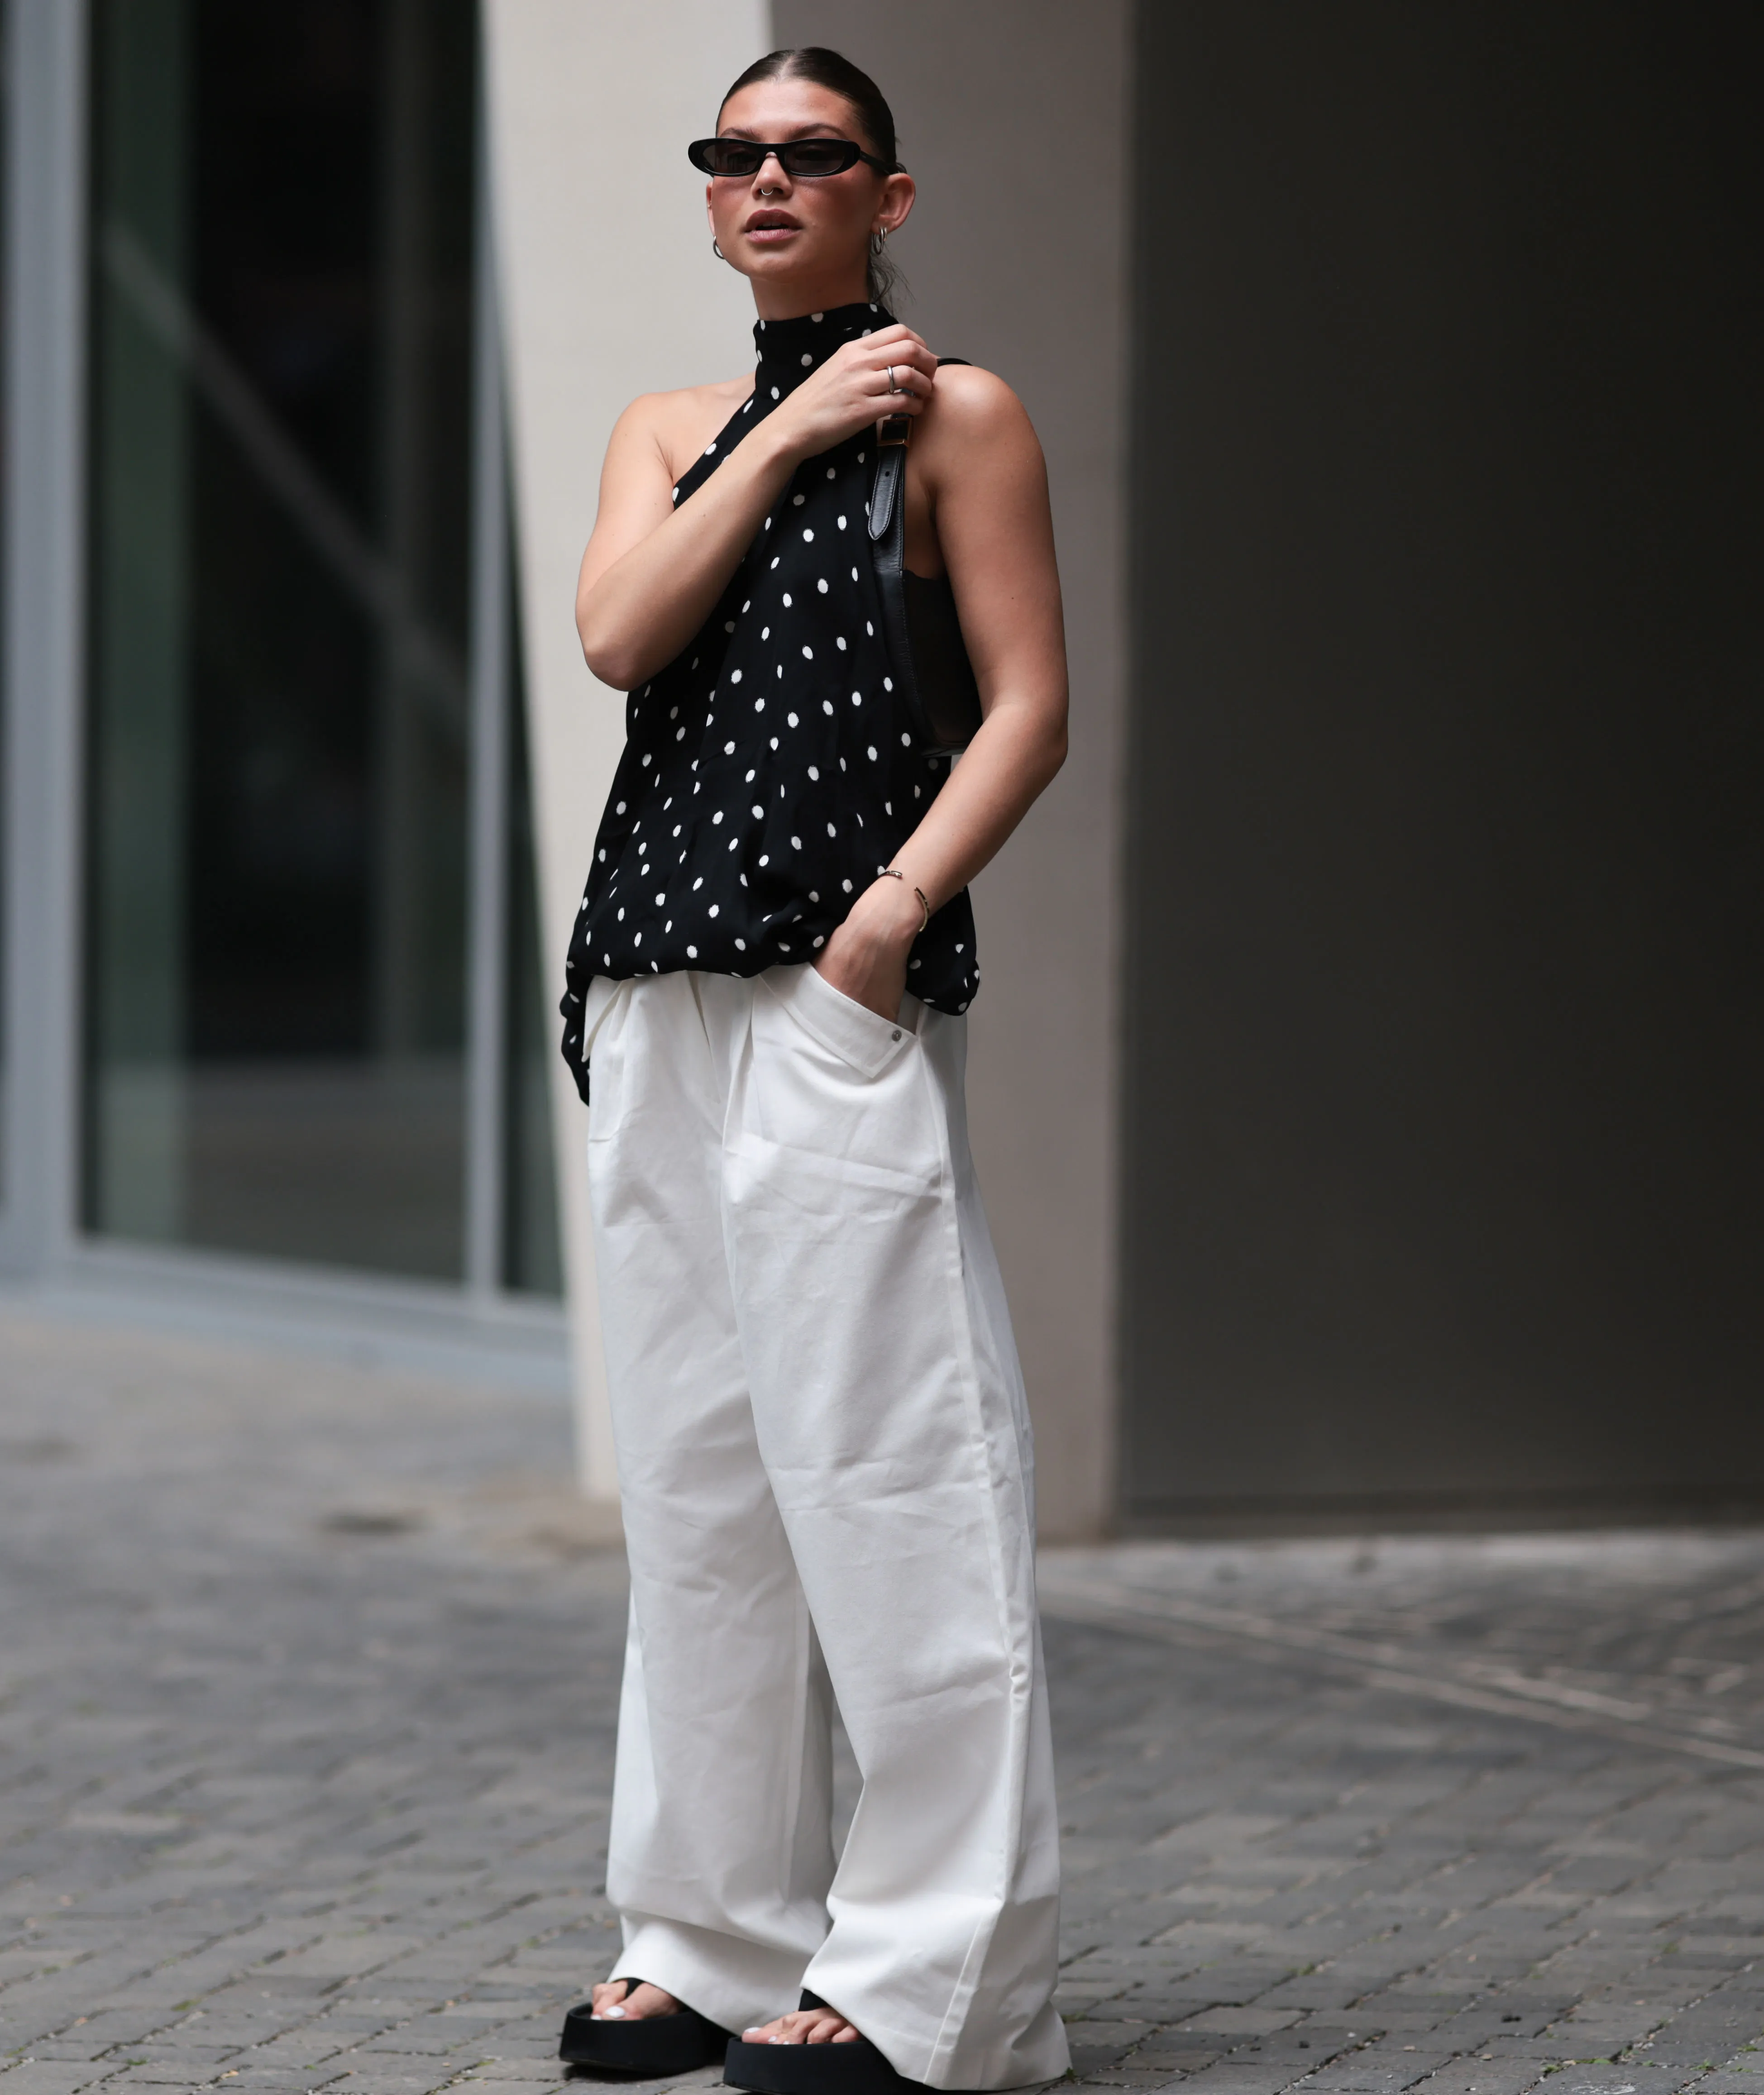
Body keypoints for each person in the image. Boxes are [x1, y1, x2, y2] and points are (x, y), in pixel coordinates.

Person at [544, 44, 1074, 2095]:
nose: (768, 182)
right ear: (707, 199)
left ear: (889, 193)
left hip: (830, 990)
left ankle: (936, 1981)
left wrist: (881, 923)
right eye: (735, 157)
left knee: (895, 1469)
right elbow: (614, 635)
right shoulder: (671, 429)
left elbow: (1027, 709)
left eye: (813, 155)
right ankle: (699, 1935)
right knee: (698, 1482)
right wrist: (774, 445)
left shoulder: (962, 417)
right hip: (656, 986)